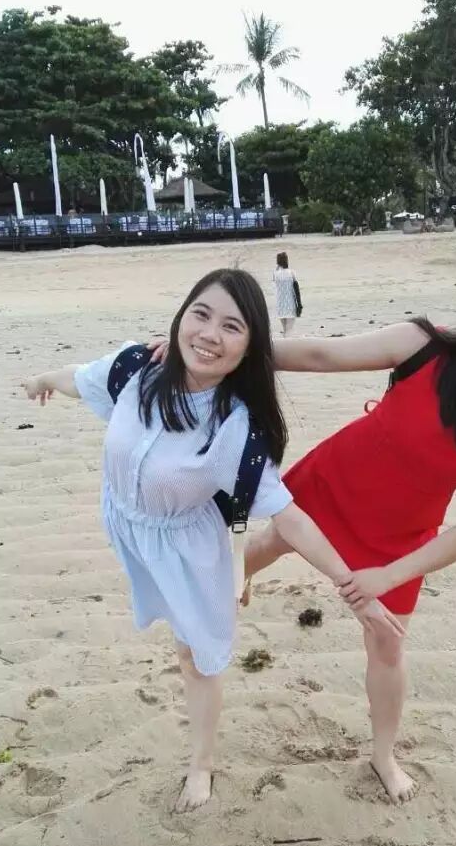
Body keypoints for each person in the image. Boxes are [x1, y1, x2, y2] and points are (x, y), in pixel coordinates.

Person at [24, 269, 401, 813]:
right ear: (181, 317)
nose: (209, 334)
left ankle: (200, 765)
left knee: (195, 657)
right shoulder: (136, 368)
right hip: (127, 525)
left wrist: (352, 588)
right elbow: (81, 378)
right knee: (173, 628)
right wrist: (41, 379)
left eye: (231, 326)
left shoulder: (233, 428)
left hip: (190, 551)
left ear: (249, 348)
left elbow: (290, 519)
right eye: (200, 315)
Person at [240, 246, 456, 804]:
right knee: (273, 541)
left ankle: (383, 755)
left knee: (387, 643)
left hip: (401, 536)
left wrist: (387, 575)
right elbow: (320, 355)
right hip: (337, 478)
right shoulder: (423, 344)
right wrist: (229, 351)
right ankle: (237, 578)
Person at [273, 251, 300, 337]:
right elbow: (296, 289)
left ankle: (285, 341)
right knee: (289, 329)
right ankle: (288, 343)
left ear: (278, 262)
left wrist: (278, 266)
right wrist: (299, 304)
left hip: (280, 305)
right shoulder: (292, 273)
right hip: (290, 304)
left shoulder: (275, 274)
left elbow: (275, 283)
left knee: (285, 329)